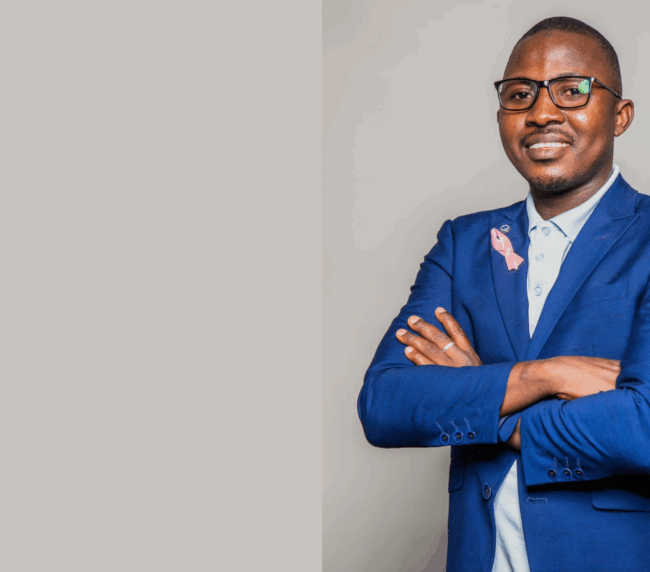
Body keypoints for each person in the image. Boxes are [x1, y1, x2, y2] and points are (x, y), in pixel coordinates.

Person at [357, 16, 650, 572]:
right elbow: (384, 403)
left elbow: (644, 429)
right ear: (501, 116)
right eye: (520, 94)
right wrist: (544, 376)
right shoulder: (463, 244)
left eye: (572, 90)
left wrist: (486, 395)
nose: (541, 112)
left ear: (621, 115)